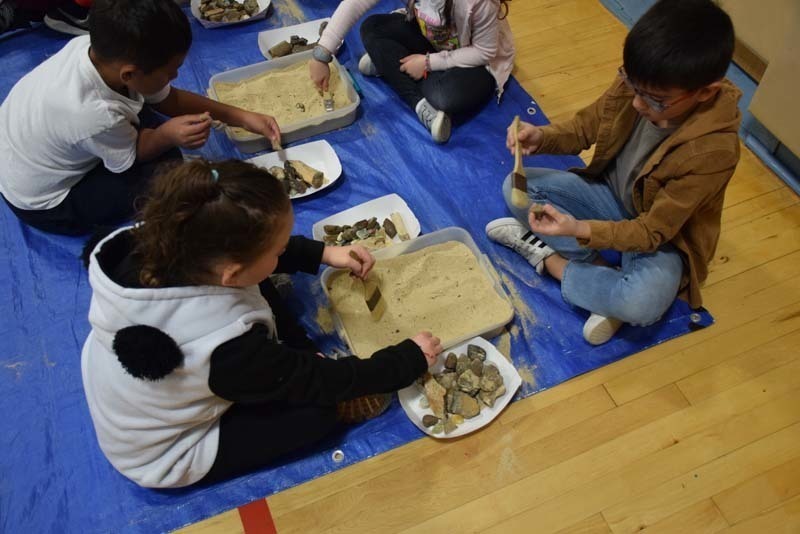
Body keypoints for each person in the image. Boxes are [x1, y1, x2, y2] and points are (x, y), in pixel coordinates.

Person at [80, 159, 443, 489]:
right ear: (231, 274)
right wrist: (404, 360)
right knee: (317, 413)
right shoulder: (223, 347)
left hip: (158, 380)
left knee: (264, 280)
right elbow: (318, 381)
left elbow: (258, 256)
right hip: (170, 448)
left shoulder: (175, 234)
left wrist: (325, 253)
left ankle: (287, 353)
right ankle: (292, 366)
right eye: (278, 250)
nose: (282, 251)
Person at [485, 0, 741, 345]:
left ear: (706, 92)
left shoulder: (713, 151)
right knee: (515, 187)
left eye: (656, 101)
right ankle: (601, 280)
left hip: (661, 236)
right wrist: (542, 137)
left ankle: (550, 261)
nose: (637, 103)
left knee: (640, 303)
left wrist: (579, 229)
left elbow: (652, 231)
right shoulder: (643, 81)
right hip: (609, 196)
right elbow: (585, 127)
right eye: (633, 86)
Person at [0, 0, 281, 236]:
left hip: (27, 152)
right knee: (166, 166)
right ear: (130, 74)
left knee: (148, 114)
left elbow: (167, 98)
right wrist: (165, 136)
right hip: (48, 203)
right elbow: (131, 157)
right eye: (171, 70)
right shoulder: (94, 113)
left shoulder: (95, 48)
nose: (176, 77)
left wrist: (240, 117)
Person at [309, 0, 514, 143]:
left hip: (474, 60)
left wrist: (428, 63)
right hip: (431, 41)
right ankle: (418, 101)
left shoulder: (478, 3)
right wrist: (322, 52)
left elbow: (484, 52)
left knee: (443, 98)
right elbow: (355, 3)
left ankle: (391, 63)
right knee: (372, 27)